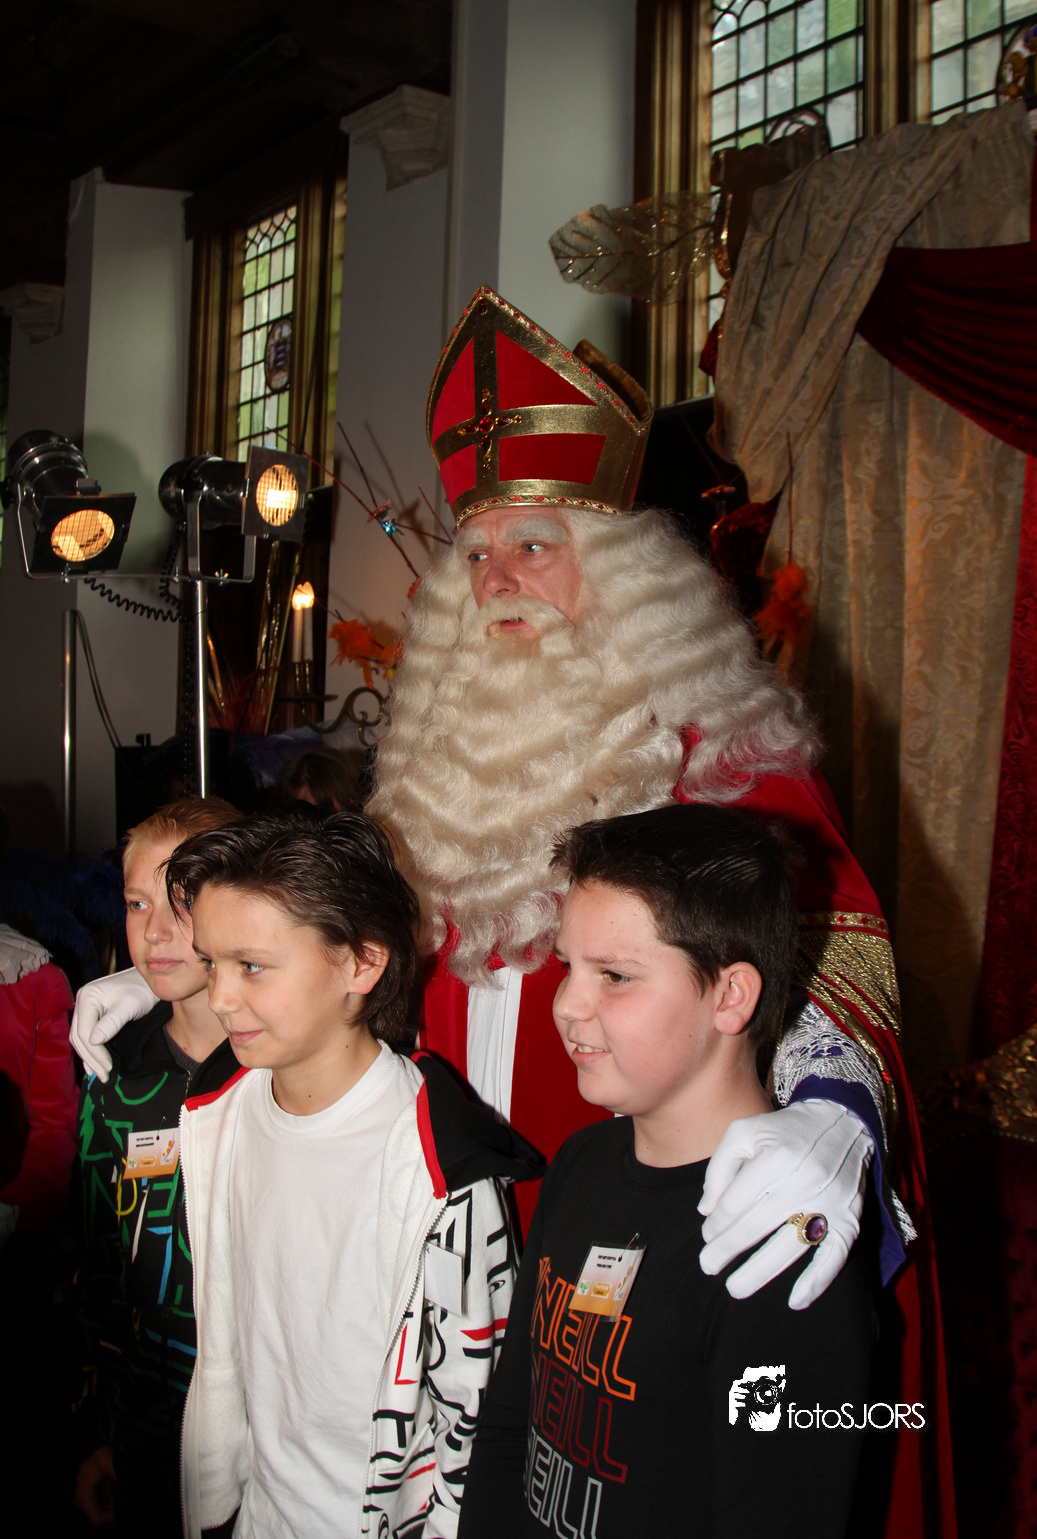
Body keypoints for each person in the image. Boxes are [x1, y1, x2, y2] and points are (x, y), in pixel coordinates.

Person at [70, 288, 954, 1534]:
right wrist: (178, 971)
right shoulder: (435, 777)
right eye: (476, 553)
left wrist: (826, 1120)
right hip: (443, 1248)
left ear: (629, 578)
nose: (496, 579)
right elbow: (328, 939)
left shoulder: (727, 765)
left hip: (643, 1239)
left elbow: (837, 971)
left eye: (534, 545)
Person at [459, 803, 885, 1538]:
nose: (566, 1005)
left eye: (614, 975)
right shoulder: (581, 1162)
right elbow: (509, 1426)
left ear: (730, 996)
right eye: (567, 966)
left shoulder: (781, 1254)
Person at [164, 810, 541, 1538]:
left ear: (362, 964)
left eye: (251, 966)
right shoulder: (221, 1111)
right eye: (211, 963)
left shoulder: (441, 1168)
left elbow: (476, 1416)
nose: (219, 997)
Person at [74, 796, 243, 1536]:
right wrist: (93, 1432)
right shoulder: (115, 1078)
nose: (155, 932)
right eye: (138, 903)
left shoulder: (280, 1074)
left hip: (264, 1437)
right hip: (147, 1428)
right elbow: (94, 1266)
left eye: (183, 903)